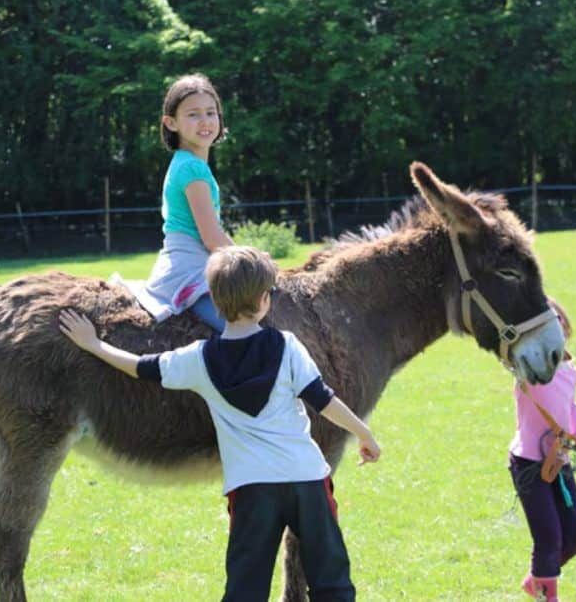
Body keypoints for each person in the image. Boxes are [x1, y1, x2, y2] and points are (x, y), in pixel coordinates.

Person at [60, 245, 381, 601]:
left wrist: (93, 344)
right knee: (332, 583)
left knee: (245, 589)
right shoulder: (287, 346)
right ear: (263, 300)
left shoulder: (198, 359)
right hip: (306, 480)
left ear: (213, 298)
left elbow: (140, 367)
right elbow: (324, 400)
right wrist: (363, 433)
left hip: (251, 490)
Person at [136, 74, 234, 332]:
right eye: (193, 114)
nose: (205, 121)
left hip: (191, 262)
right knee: (242, 331)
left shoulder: (186, 163)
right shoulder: (192, 168)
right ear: (171, 123)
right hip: (191, 269)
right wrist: (255, 261)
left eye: (211, 113)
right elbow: (212, 239)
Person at [509, 298, 576, 602]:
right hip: (529, 464)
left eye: (557, 321)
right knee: (549, 538)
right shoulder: (528, 371)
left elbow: (571, 405)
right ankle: (548, 595)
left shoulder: (570, 371)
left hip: (558, 460)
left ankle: (537, 580)